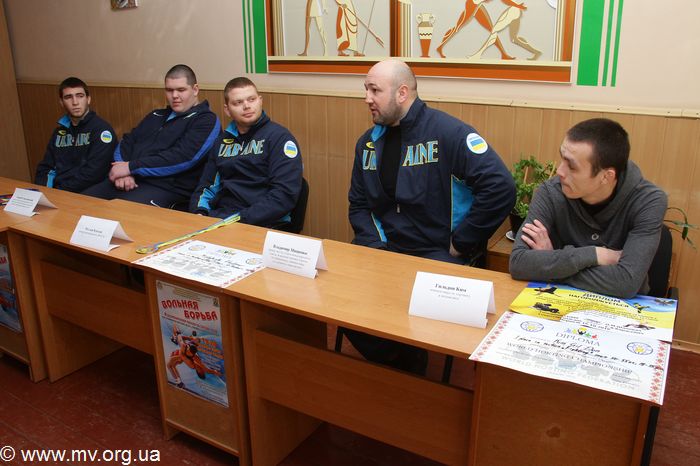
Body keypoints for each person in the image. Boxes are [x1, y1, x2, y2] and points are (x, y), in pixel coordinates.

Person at [346, 59, 515, 374]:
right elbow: (358, 204)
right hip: (384, 249)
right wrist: (374, 245)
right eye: (366, 89)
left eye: (374, 90)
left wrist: (461, 242)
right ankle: (397, 362)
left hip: (435, 253)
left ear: (402, 93)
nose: (367, 98)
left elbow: (501, 188)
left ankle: (409, 368)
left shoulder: (449, 133)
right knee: (341, 300)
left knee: (409, 317)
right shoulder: (367, 143)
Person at [509, 118, 668, 299]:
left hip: (622, 309)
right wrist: (595, 254)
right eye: (562, 158)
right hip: (557, 303)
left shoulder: (648, 201)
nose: (560, 171)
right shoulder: (550, 192)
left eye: (572, 166)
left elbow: (625, 283)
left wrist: (551, 262)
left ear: (606, 177)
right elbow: (518, 263)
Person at [83, 64, 220, 207]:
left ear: (195, 89)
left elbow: (183, 157)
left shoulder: (206, 120)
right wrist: (123, 172)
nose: (174, 96)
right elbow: (127, 141)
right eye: (169, 90)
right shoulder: (155, 115)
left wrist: (131, 167)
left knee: (117, 211)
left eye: (181, 90)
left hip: (167, 188)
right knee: (80, 202)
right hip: (130, 179)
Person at [189, 77, 303, 227]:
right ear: (227, 110)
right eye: (238, 102)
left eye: (251, 99)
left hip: (264, 223)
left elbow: (283, 196)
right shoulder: (221, 142)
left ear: (260, 101)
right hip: (222, 219)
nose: (247, 106)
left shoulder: (280, 138)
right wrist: (199, 213)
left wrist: (238, 219)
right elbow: (206, 187)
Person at [34, 77, 117, 193]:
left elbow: (94, 173)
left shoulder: (102, 130)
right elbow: (46, 167)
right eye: (68, 97)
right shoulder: (59, 132)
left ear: (88, 99)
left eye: (80, 96)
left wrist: (60, 191)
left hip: (87, 192)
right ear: (61, 102)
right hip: (59, 191)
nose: (75, 102)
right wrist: (44, 191)